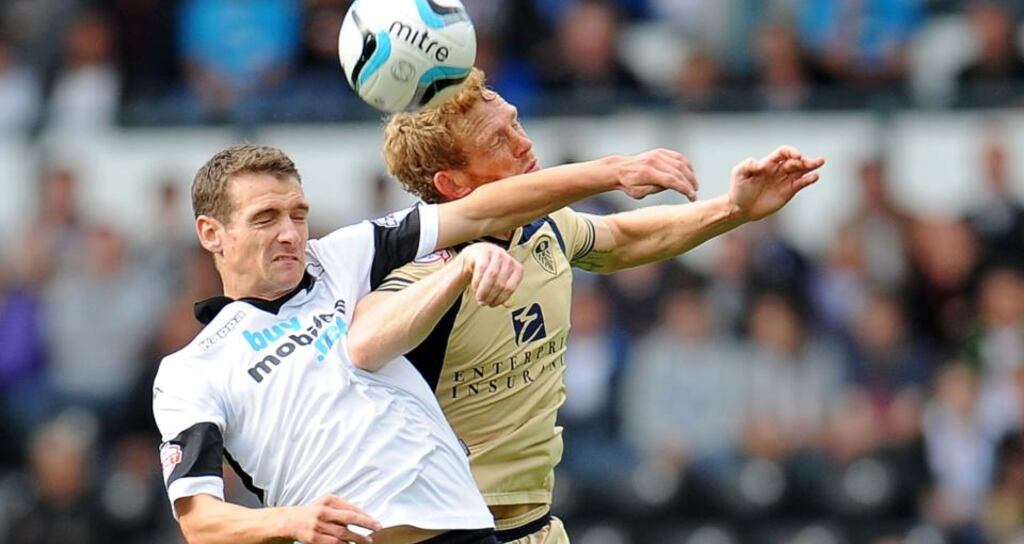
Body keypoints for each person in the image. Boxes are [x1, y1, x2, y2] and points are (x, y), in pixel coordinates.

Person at [354, 69, 824, 543]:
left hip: (532, 524)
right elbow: (364, 344)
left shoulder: (546, 227)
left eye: (515, 123)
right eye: (498, 139)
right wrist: (458, 273)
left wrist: (733, 209)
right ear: (451, 183)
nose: (523, 143)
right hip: (440, 530)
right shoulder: (420, 266)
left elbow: (621, 238)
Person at [152, 143, 696, 544]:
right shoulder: (192, 369)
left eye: (298, 214)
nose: (291, 233)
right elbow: (201, 521)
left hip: (463, 527)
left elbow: (484, 209)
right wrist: (291, 520)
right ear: (211, 234)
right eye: (265, 219)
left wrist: (613, 171)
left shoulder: (342, 258)